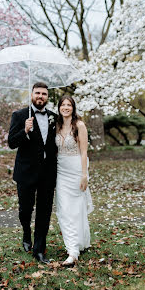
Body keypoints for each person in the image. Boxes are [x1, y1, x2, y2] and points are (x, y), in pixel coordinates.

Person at [8, 82, 57, 264]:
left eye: (44, 94)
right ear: (31, 95)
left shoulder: (54, 117)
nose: (40, 96)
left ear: (47, 97)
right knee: (25, 210)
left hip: (47, 173)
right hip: (26, 172)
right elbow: (11, 142)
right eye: (37, 93)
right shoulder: (20, 115)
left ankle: (39, 250)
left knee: (44, 212)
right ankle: (26, 234)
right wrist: (25, 130)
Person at [55, 95, 93, 266]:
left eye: (68, 105)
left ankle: (76, 247)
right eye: (63, 105)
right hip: (60, 171)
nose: (65, 107)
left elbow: (84, 152)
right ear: (59, 108)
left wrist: (84, 175)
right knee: (64, 210)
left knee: (76, 210)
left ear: (73, 107)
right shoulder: (56, 125)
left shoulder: (80, 125)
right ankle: (72, 250)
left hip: (76, 170)